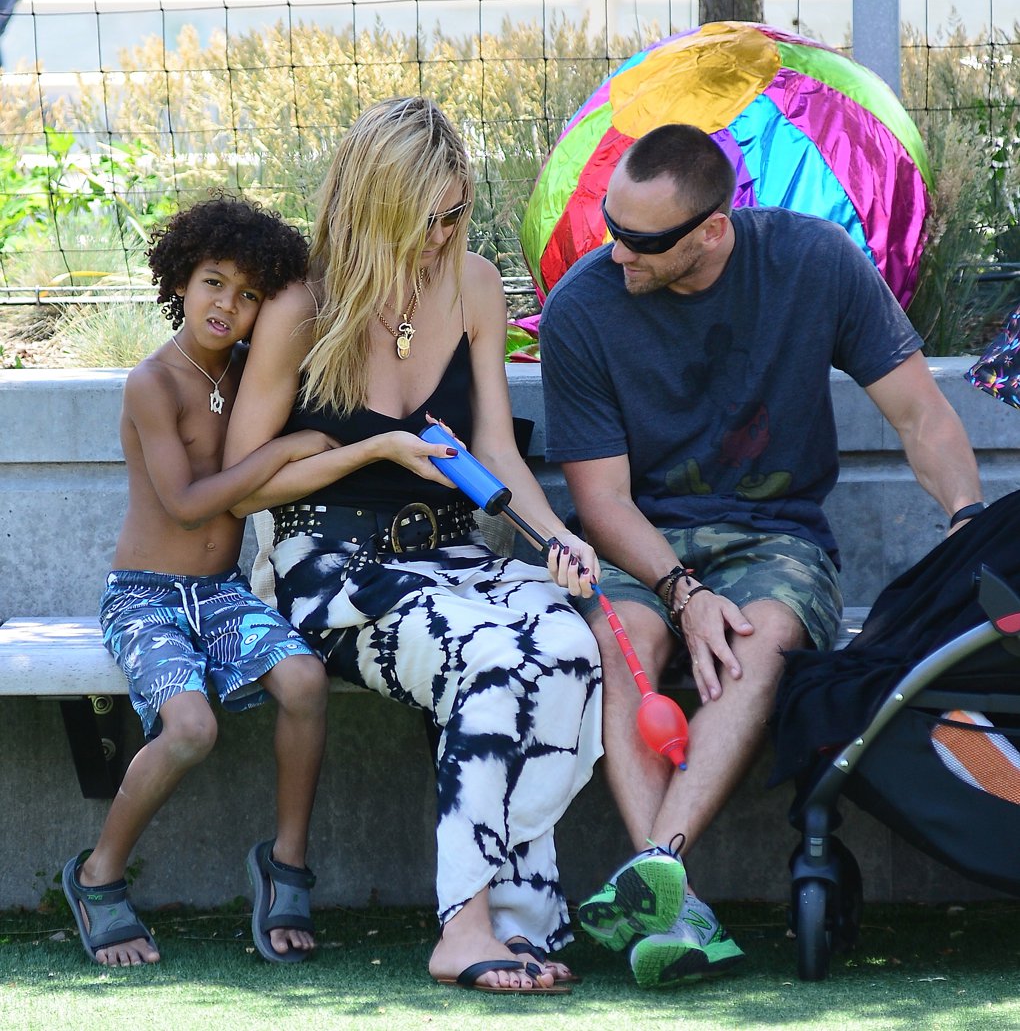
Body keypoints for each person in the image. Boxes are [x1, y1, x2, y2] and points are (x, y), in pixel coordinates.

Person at [539, 123, 985, 988]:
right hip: (644, 540)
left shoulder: (812, 262)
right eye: (608, 223)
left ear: (712, 230)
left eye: (640, 239)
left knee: (765, 640)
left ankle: (657, 878)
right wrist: (680, 589)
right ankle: (675, 893)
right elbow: (600, 502)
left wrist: (967, 518)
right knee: (621, 644)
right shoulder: (583, 309)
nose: (614, 250)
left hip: (776, 537)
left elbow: (922, 417)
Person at [222, 96, 603, 994]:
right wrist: (380, 449)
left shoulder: (473, 282)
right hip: (324, 568)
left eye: (456, 214)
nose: (443, 236)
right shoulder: (299, 302)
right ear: (375, 204)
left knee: (564, 644)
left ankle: (518, 918)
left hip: (453, 551)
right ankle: (463, 924)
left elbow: (498, 450)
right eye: (426, 219)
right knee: (485, 656)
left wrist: (558, 538)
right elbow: (242, 484)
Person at [62, 194, 333, 968]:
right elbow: (183, 505)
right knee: (191, 728)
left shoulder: (254, 374)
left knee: (306, 680)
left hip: (220, 596)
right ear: (180, 279)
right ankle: (98, 875)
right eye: (214, 282)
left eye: (249, 295)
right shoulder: (154, 383)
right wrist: (282, 454)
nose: (228, 305)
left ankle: (285, 864)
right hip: (145, 594)